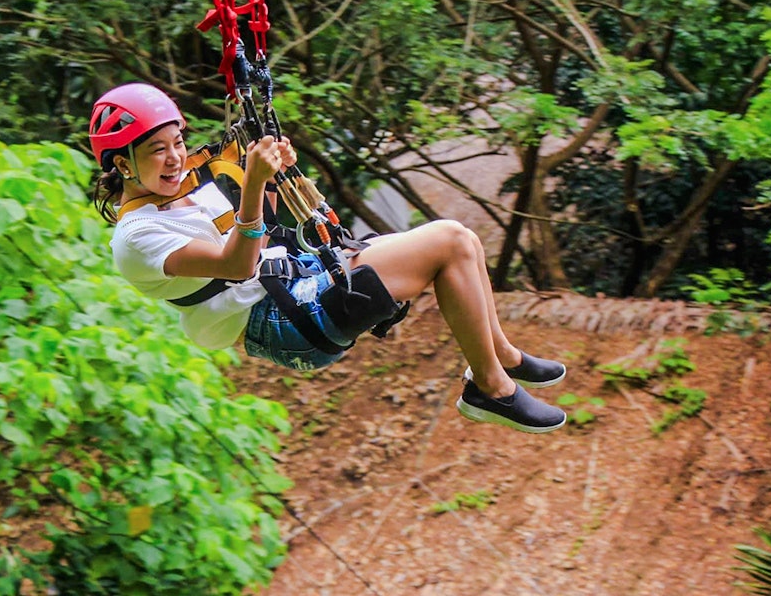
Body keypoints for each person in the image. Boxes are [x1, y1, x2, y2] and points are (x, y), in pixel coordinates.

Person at [89, 82, 567, 433]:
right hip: (284, 320)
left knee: (465, 240)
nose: (174, 158)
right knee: (452, 243)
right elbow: (236, 264)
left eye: (177, 143)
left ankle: (500, 356)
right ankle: (490, 388)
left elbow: (264, 234)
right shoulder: (136, 237)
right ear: (121, 163)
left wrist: (276, 176)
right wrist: (252, 183)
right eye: (157, 151)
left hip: (293, 285)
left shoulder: (187, 197)